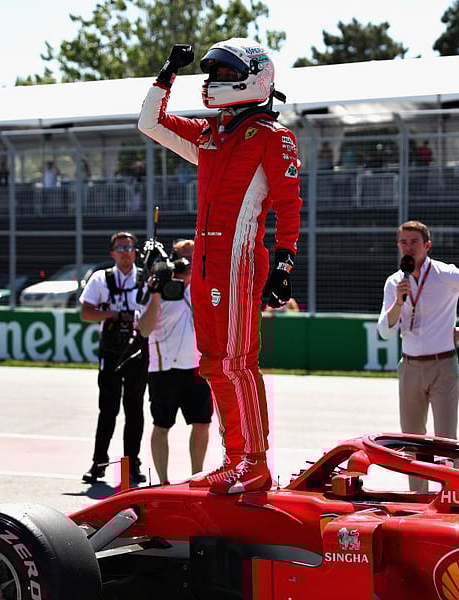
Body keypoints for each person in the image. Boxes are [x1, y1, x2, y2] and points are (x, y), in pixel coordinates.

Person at [139, 39, 302, 494]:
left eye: (225, 74)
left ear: (255, 76)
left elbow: (289, 206)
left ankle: (254, 461)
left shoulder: (274, 135)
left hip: (240, 263)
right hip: (205, 267)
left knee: (237, 364)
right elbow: (148, 121)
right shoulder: (212, 136)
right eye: (212, 73)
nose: (213, 82)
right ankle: (235, 458)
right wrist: (167, 72)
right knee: (213, 365)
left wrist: (284, 264)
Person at [377, 220, 459, 493]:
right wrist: (399, 302)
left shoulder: (446, 274)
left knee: (446, 441)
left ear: (427, 246)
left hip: (443, 365)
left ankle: (449, 497)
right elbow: (385, 332)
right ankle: (418, 498)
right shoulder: (394, 282)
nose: (408, 247)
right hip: (409, 367)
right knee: (411, 441)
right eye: (403, 242)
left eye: (414, 242)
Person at [137, 239, 212, 485]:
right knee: (162, 424)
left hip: (198, 367)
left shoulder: (206, 287)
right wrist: (157, 294)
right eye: (183, 260)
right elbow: (145, 331)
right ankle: (163, 480)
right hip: (164, 369)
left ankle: (197, 476)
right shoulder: (156, 288)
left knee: (202, 423)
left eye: (194, 256)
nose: (189, 263)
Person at [79, 231, 151, 485]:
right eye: (120, 248)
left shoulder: (145, 278)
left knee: (135, 409)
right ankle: (99, 462)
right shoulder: (102, 278)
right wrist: (113, 315)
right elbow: (86, 313)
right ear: (112, 253)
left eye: (130, 247)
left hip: (138, 351)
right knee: (107, 409)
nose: (125, 252)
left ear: (136, 251)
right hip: (110, 350)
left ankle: (132, 463)